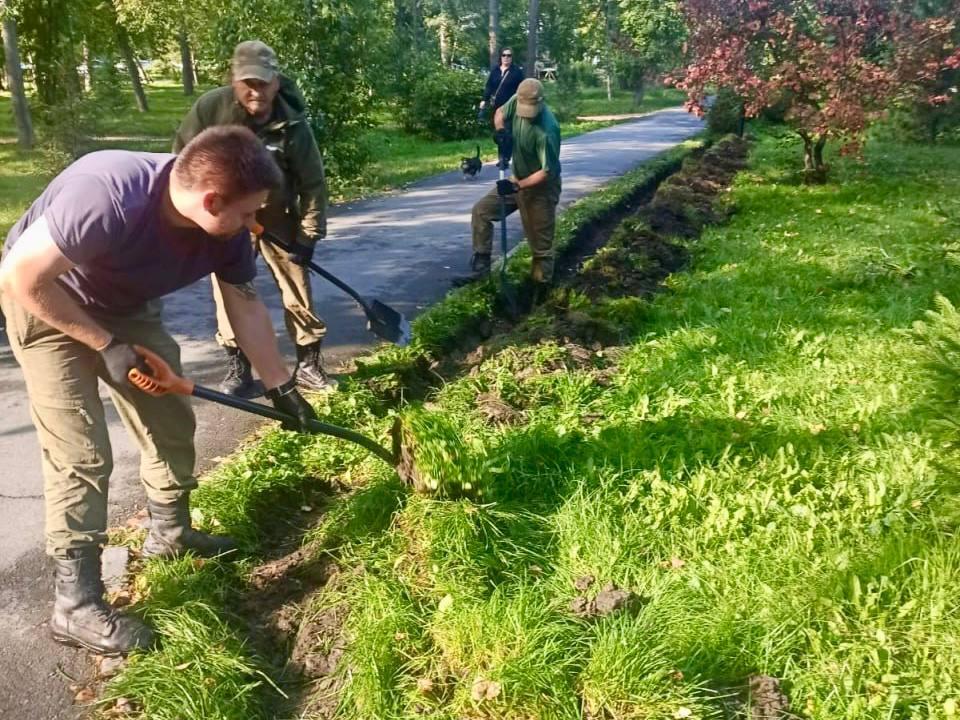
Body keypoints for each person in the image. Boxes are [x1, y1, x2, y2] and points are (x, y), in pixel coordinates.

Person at [0, 126, 319, 656]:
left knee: (170, 416)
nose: (253, 224)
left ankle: (170, 533)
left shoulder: (228, 229)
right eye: (246, 213)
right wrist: (104, 344)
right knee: (81, 453)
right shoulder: (109, 194)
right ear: (212, 199)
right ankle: (74, 605)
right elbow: (21, 277)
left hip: (126, 306)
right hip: (48, 303)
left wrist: (280, 386)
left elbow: (243, 303)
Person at [173, 40, 334, 397]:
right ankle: (239, 366)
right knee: (230, 289)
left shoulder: (294, 123)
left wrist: (308, 235)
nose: (255, 90)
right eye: (247, 82)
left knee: (297, 286)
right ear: (233, 80)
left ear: (276, 81)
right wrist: (198, 215)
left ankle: (308, 363)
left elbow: (312, 183)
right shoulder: (210, 109)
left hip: (277, 215)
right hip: (226, 216)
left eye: (262, 82)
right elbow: (180, 159)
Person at [465, 79, 562, 287]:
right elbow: (500, 112)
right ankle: (481, 268)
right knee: (481, 211)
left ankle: (540, 293)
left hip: (541, 190)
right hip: (516, 178)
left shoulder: (548, 130)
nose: (526, 114)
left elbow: (546, 172)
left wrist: (517, 186)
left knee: (540, 247)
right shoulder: (517, 99)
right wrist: (500, 131)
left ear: (541, 102)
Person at [479, 47, 524, 118]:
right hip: (495, 107)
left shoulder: (517, 71)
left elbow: (522, 88)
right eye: (504, 55)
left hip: (510, 108)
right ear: (501, 57)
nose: (506, 57)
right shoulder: (495, 70)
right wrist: (484, 100)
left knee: (506, 127)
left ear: (512, 57)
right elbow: (489, 86)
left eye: (509, 55)